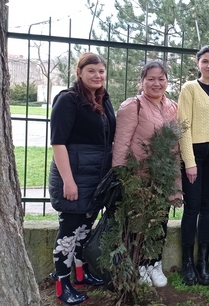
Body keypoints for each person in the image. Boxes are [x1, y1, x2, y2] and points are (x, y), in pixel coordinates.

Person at [48, 52, 116, 305]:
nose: (97, 76)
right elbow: (58, 142)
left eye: (101, 71)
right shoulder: (68, 100)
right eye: (91, 71)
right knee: (69, 231)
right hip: (74, 175)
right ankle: (62, 283)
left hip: (95, 177)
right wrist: (68, 181)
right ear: (79, 72)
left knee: (85, 228)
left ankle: (80, 272)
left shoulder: (103, 98)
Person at [111, 60, 183, 287]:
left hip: (162, 177)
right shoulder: (133, 106)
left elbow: (175, 146)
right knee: (137, 223)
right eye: (150, 78)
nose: (156, 83)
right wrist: (124, 177)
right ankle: (138, 265)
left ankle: (155, 263)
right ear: (141, 81)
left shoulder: (172, 107)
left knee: (159, 222)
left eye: (161, 79)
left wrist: (175, 180)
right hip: (138, 175)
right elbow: (121, 144)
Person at [177, 45, 209, 286]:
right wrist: (189, 162)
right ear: (198, 64)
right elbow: (183, 126)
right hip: (194, 155)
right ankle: (187, 262)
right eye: (205, 61)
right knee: (192, 208)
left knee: (208, 208)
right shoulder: (189, 89)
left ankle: (203, 262)